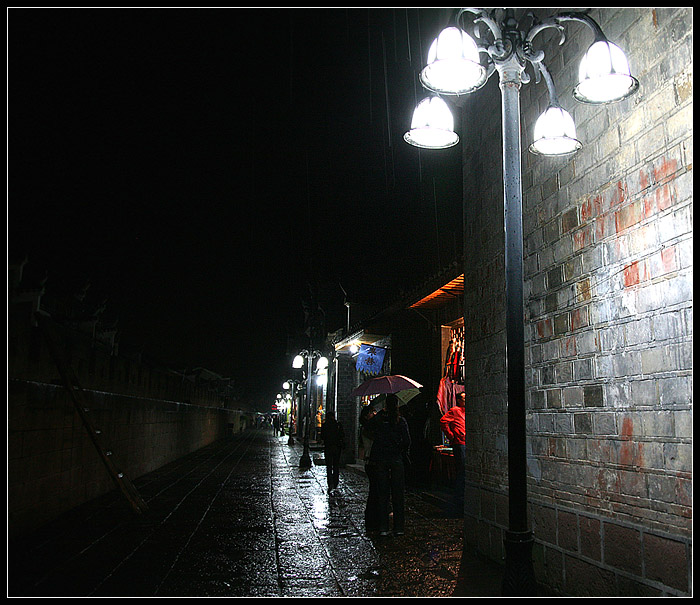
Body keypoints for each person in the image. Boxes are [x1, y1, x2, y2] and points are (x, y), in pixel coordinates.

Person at [361, 393, 411, 536]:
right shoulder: (400, 421)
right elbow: (407, 441)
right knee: (398, 494)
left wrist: (379, 415)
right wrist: (399, 449)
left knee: (382, 494)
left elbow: (367, 425)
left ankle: (383, 527)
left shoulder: (379, 420)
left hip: (381, 460)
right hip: (396, 459)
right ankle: (399, 527)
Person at [440, 390, 466, 516]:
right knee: (462, 469)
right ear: (459, 400)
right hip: (460, 443)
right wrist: (451, 436)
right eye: (463, 398)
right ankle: (459, 497)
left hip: (466, 442)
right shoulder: (455, 410)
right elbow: (443, 421)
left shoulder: (467, 411)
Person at [320, 411, 344, 492]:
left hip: (328, 447)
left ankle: (330, 483)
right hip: (337, 447)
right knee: (336, 465)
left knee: (329, 466)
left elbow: (322, 436)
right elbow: (342, 435)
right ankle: (335, 482)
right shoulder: (338, 425)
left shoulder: (325, 425)